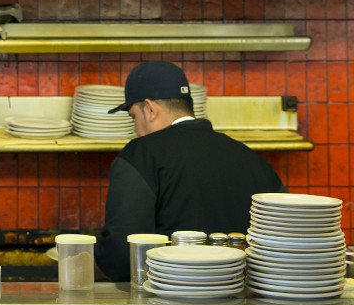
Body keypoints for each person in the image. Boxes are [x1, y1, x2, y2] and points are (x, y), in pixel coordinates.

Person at [94, 61, 285, 281]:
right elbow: (283, 240)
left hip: (171, 304)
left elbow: (123, 252)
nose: (135, 128)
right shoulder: (253, 160)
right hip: (246, 304)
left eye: (133, 117)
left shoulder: (141, 155)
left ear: (150, 109)